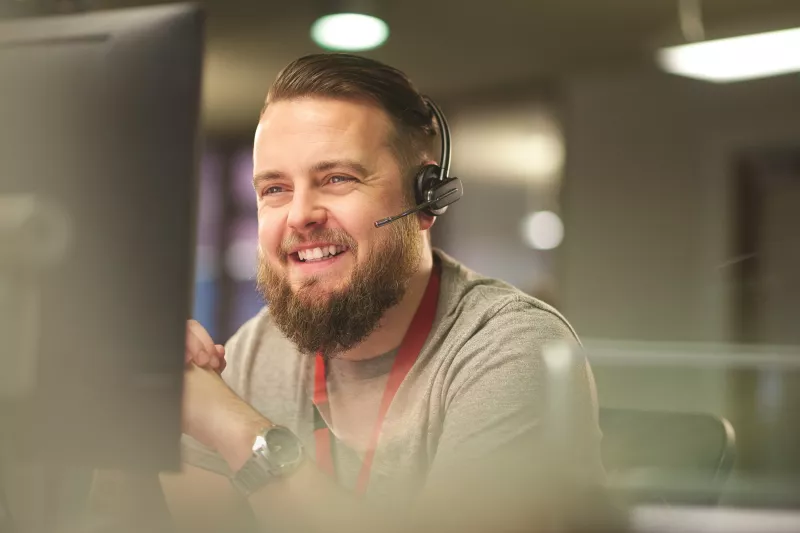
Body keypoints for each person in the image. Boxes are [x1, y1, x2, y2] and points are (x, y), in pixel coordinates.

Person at [96, 53, 606, 533]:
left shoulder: (511, 350)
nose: (299, 215)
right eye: (274, 189)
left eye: (337, 178)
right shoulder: (257, 350)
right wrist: (141, 404)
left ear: (425, 200)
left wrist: (234, 428)